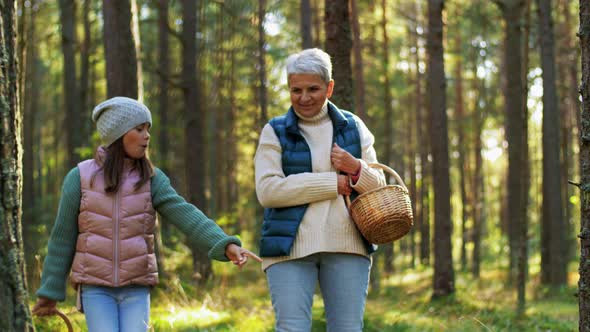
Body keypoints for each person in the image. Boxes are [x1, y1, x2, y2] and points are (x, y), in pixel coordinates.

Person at [32, 96, 262, 332]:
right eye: (139, 129)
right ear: (118, 134)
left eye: (148, 129)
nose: (147, 136)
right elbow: (62, 239)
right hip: (95, 288)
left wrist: (224, 244)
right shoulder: (80, 177)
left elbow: (185, 215)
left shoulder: (151, 178)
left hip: (137, 286)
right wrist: (50, 292)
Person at [254, 48, 386, 331]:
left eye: (313, 89)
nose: (304, 98)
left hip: (348, 244)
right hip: (288, 247)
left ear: (329, 87)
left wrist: (356, 168)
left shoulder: (354, 127)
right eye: (296, 89)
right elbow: (268, 191)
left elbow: (379, 187)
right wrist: (332, 184)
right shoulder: (274, 130)